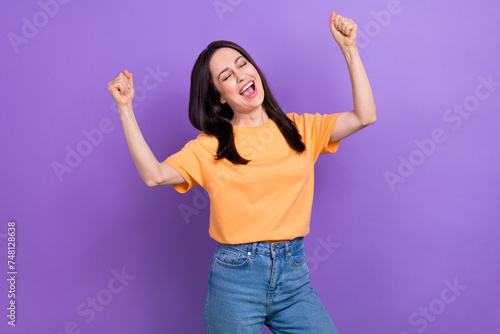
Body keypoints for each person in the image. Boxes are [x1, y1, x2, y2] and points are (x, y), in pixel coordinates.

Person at [108, 10, 375, 334]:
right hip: (235, 282)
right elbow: (154, 175)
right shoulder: (211, 147)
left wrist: (350, 50)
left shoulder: (301, 129)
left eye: (242, 63)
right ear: (219, 95)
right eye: (226, 76)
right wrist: (125, 110)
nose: (240, 74)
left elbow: (364, 115)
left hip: (293, 278)